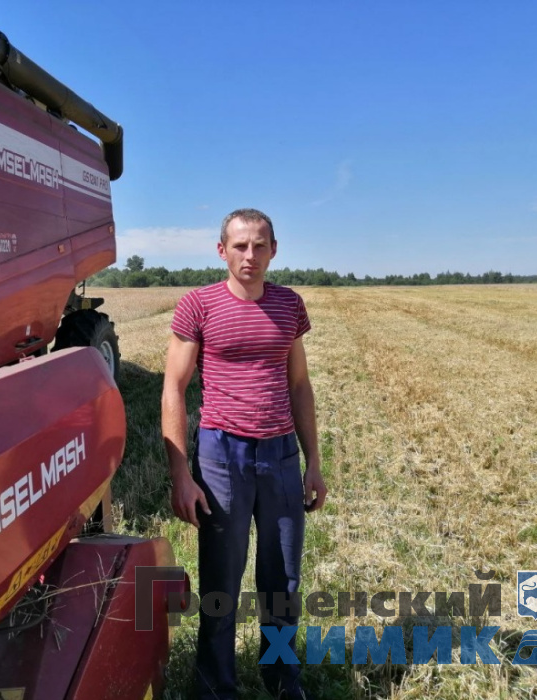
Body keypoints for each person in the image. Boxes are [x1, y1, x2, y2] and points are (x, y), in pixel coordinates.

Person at [161, 208, 327, 700]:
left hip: (279, 455)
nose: (249, 255)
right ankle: (215, 687)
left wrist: (313, 460)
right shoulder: (199, 305)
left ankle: (281, 677)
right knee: (222, 577)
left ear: (274, 250)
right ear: (221, 250)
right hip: (221, 455)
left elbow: (299, 384)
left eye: (259, 245)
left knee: (284, 579)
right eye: (239, 246)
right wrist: (180, 475)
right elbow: (173, 388)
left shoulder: (289, 306)